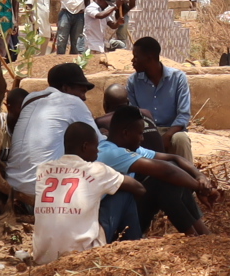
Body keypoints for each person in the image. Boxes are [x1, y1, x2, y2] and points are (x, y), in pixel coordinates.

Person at [97, 103, 213, 239]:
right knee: (161, 182)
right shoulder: (110, 153)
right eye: (140, 134)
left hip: (125, 213)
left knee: (172, 174)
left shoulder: (128, 148)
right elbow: (167, 172)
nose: (142, 139)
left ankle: (202, 234)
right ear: (126, 133)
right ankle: (195, 236)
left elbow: (174, 158)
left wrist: (200, 176)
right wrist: (200, 188)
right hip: (110, 222)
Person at [32, 120, 137, 264]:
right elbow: (138, 188)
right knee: (124, 194)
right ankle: (137, 248)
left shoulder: (43, 169)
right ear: (85, 146)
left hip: (43, 258)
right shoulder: (96, 170)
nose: (98, 151)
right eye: (96, 146)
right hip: (82, 257)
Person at [5, 61, 99, 205]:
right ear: (65, 88)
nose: (84, 98)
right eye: (81, 91)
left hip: (13, 188)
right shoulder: (72, 102)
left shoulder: (30, 99)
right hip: (43, 194)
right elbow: (100, 144)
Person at [125, 36, 193, 155]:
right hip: (145, 131)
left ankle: (186, 168)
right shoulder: (133, 82)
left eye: (136, 56)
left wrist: (167, 135)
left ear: (149, 58)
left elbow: (183, 114)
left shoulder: (178, 78)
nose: (133, 61)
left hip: (172, 130)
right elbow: (133, 115)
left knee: (181, 139)